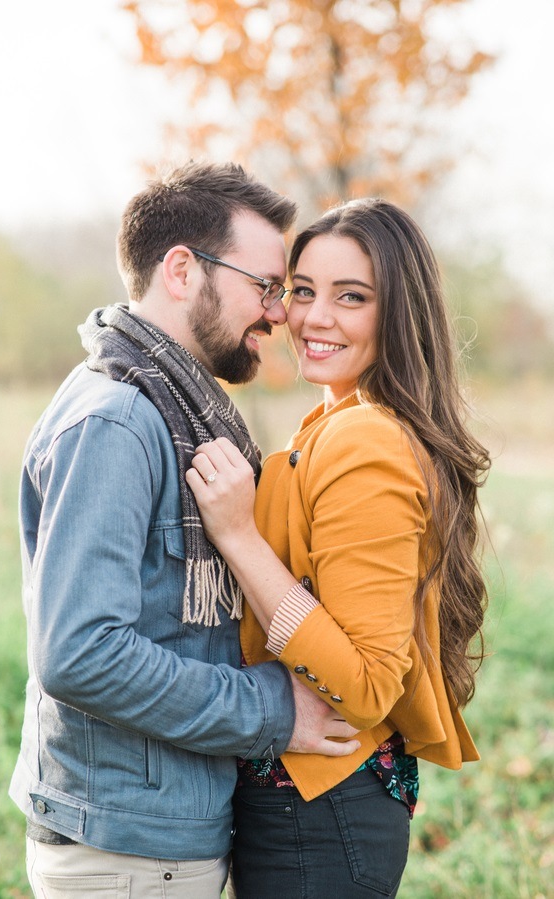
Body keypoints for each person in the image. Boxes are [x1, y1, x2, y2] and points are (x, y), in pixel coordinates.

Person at [9, 161, 361, 899]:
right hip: (126, 852)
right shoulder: (118, 420)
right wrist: (271, 708)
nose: (276, 312)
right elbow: (80, 653)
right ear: (181, 270)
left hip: (157, 839)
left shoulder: (176, 409)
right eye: (264, 285)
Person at [188, 197, 491, 898]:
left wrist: (238, 535)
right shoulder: (329, 423)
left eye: (350, 296)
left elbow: (366, 682)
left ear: (397, 313)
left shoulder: (365, 441)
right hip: (309, 804)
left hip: (322, 813)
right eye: (301, 291)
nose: (314, 317)